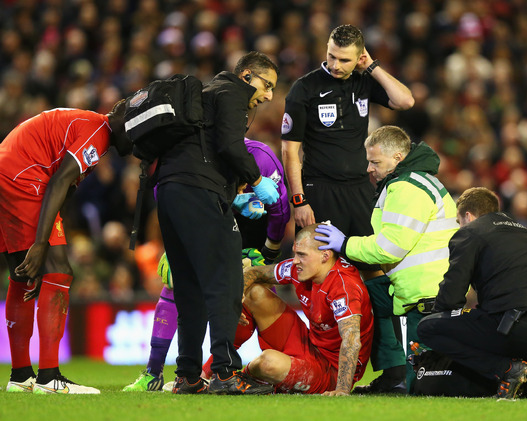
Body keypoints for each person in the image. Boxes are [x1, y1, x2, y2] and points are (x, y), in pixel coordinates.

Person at [281, 24, 413, 392]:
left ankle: (393, 370)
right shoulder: (304, 89)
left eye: (344, 59)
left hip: (358, 193)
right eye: (331, 56)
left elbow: (405, 101)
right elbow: (290, 150)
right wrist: (299, 201)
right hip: (318, 193)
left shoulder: (364, 80)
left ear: (359, 57)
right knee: (319, 275)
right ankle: (325, 364)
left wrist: (372, 69)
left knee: (375, 278)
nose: (335, 65)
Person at [155, 51, 281, 395]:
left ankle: (188, 376)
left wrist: (233, 193)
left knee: (189, 288)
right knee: (226, 280)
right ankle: (226, 374)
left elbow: (208, 148)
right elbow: (228, 145)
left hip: (168, 193)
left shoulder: (207, 96)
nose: (268, 95)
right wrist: (256, 180)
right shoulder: (231, 93)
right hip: (198, 192)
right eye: (266, 84)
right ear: (246, 76)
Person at [124, 138, 290, 392]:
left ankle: (275, 374)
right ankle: (153, 373)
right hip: (204, 224)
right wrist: (175, 243)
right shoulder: (193, 155)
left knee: (261, 296)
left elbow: (279, 210)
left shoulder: (261, 158)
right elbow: (167, 194)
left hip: (253, 240)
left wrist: (269, 254)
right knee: (174, 285)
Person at [0, 102, 133, 394]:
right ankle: (49, 377)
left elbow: (66, 185)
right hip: (25, 177)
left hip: (8, 172)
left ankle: (21, 375)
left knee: (22, 277)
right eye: (134, 130)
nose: (136, 141)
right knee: (59, 271)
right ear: (121, 120)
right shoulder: (98, 131)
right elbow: (59, 181)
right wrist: (39, 243)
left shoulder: (89, 128)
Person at [315, 125, 458, 393]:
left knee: (424, 388)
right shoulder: (412, 181)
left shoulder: (407, 188)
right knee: (366, 294)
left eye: (375, 161)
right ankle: (393, 375)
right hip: (429, 286)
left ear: (398, 159)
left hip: (425, 295)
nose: (369, 168)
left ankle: (401, 378)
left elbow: (389, 249)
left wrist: (344, 244)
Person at [417, 187, 527, 400]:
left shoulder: (470, 232)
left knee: (428, 328)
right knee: (520, 308)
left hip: (523, 328)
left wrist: (441, 316)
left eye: (459, 221)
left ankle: (506, 369)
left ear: (468, 216)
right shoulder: (524, 232)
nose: (459, 226)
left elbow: (451, 297)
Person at [235, 224, 373, 395]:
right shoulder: (301, 268)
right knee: (254, 293)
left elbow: (351, 340)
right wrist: (236, 298)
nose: (295, 261)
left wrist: (342, 390)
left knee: (268, 363)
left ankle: (245, 378)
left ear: (325, 255)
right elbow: (254, 273)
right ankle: (214, 372)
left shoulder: (344, 287)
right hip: (309, 345)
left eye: (301, 255)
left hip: (330, 372)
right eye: (295, 253)